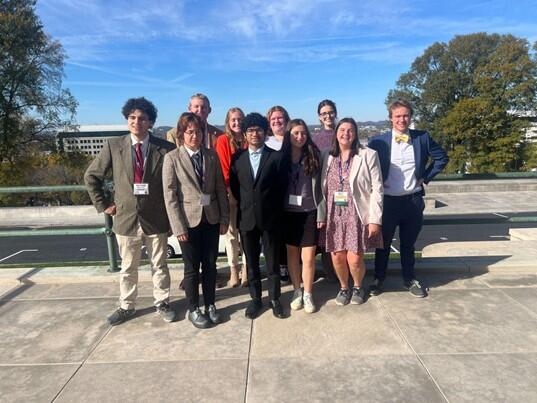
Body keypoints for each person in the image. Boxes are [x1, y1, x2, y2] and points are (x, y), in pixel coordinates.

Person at [85, 97, 176, 325]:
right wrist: (104, 205)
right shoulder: (113, 146)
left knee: (160, 265)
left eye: (142, 118)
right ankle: (127, 305)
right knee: (127, 267)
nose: (137, 122)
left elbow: (175, 185)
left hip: (156, 218)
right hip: (126, 218)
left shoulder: (165, 149)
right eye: (132, 118)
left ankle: (162, 302)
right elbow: (91, 176)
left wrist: (174, 219)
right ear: (127, 120)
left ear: (151, 122)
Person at [368, 99, 448, 298]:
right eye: (397, 116)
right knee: (383, 244)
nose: (402, 119)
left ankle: (409, 279)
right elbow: (366, 166)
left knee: (408, 244)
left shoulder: (423, 138)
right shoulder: (378, 141)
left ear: (410, 117)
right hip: (387, 201)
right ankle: (379, 279)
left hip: (412, 200)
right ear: (390, 119)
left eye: (405, 115)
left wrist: (426, 177)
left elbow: (442, 158)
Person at [162, 112, 229, 329]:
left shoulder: (211, 156)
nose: (194, 136)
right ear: (181, 134)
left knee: (210, 265)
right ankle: (193, 308)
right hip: (187, 223)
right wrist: (178, 226)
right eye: (190, 132)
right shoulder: (172, 158)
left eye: (198, 132)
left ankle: (210, 304)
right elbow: (170, 195)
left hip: (210, 219)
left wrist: (224, 218)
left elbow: (220, 188)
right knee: (191, 268)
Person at [318, 118, 383, 306]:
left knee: (354, 259)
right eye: (342, 129)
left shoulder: (368, 155)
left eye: (350, 130)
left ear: (355, 134)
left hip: (357, 214)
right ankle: (344, 287)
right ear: (336, 132)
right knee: (337, 256)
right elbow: (321, 189)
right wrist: (321, 215)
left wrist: (375, 219)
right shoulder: (327, 156)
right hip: (333, 214)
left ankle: (357, 286)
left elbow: (377, 188)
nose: (346, 133)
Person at [230, 112, 287, 319]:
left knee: (272, 263)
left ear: (265, 132)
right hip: (246, 219)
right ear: (245, 134)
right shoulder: (237, 159)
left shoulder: (276, 157)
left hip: (270, 219)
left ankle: (274, 299)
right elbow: (236, 189)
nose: (255, 134)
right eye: (251, 130)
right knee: (251, 263)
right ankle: (255, 299)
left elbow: (282, 188)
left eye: (259, 130)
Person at [281, 119, 324, 313]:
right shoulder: (280, 158)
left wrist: (322, 213)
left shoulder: (314, 156)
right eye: (296, 133)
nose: (300, 137)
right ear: (289, 136)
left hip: (309, 212)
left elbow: (323, 188)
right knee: (292, 255)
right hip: (288, 214)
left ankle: (308, 293)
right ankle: (296, 290)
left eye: (303, 133)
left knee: (308, 258)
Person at [215, 107, 248, 287]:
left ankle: (247, 270)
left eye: (240, 119)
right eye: (233, 120)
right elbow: (223, 168)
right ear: (228, 121)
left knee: (247, 235)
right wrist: (231, 193)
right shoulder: (222, 140)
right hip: (230, 194)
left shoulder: (248, 139)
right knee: (231, 235)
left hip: (248, 195)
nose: (237, 123)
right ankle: (233, 270)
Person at [313, 99, 338, 281]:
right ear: (319, 117)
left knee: (343, 232)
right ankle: (331, 273)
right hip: (323, 193)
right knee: (326, 235)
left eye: (330, 112)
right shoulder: (316, 140)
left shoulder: (344, 132)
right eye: (324, 113)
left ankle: (344, 272)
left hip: (345, 193)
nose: (328, 116)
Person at [265, 105, 291, 282]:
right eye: (273, 119)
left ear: (286, 120)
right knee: (279, 235)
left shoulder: (294, 138)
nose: (277, 121)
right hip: (275, 197)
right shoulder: (266, 143)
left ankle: (298, 266)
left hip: (296, 194)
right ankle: (282, 267)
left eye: (280, 118)